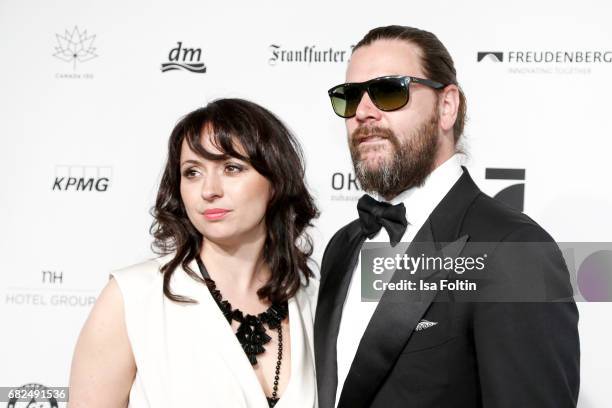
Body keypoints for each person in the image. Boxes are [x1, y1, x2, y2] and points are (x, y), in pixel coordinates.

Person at [315, 25, 580, 408]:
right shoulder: (343, 244)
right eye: (350, 97)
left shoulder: (514, 250)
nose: (363, 112)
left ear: (447, 106)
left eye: (390, 90)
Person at [69, 98, 319, 408]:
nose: (208, 190)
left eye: (231, 168)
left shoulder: (314, 299)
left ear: (276, 181)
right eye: (192, 172)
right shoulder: (133, 297)